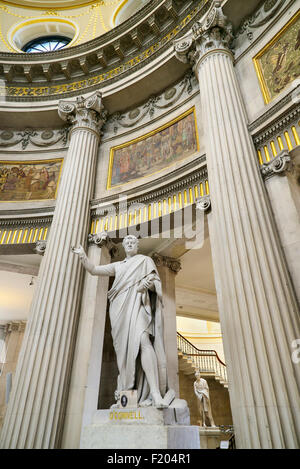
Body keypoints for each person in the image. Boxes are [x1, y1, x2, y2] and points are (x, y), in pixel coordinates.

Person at [72, 234, 173, 409]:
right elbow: (94, 270)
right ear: (124, 246)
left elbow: (155, 282)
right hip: (119, 310)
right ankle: (128, 396)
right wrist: (82, 255)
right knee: (124, 353)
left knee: (143, 340)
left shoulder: (144, 261)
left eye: (133, 241)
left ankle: (155, 393)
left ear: (137, 246)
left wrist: (146, 285)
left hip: (139, 305)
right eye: (126, 242)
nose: (129, 243)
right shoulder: (118, 266)